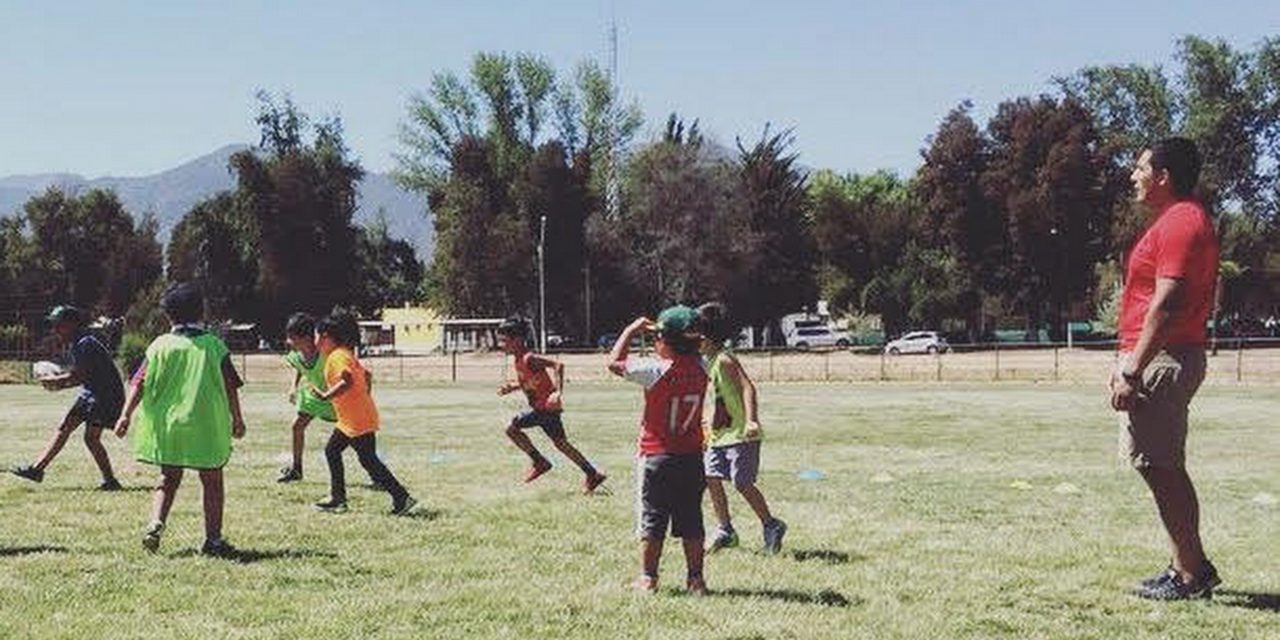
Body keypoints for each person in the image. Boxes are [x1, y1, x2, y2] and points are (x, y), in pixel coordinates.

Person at [1111, 137, 1221, 600]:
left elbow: (1169, 301)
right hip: (1161, 354)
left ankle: (1191, 574)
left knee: (1162, 466)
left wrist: (1133, 368)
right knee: (1159, 466)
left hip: (1164, 357)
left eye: (1140, 168)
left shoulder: (1181, 222)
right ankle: (1186, 565)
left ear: (1163, 177)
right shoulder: (1180, 220)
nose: (1133, 176)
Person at [114, 283, 247, 556]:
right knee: (212, 481)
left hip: (169, 425)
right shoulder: (214, 346)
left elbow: (139, 382)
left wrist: (125, 414)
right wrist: (237, 418)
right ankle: (213, 540)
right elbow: (230, 385)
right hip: (206, 424)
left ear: (167, 315)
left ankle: (155, 523)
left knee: (168, 478)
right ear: (202, 311)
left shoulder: (159, 346)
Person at [607, 306, 709, 595]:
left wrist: (631, 330)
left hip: (657, 455)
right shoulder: (702, 367)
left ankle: (648, 578)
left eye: (657, 338)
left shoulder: (656, 370)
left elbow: (614, 363)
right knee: (692, 519)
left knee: (652, 518)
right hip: (691, 456)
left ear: (666, 341)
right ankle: (696, 580)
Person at [696, 303, 786, 555]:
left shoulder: (725, 359)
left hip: (740, 436)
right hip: (718, 436)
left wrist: (751, 420)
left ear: (707, 337)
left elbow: (748, 388)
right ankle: (725, 529)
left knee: (742, 482)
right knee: (710, 477)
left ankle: (771, 525)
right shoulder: (708, 362)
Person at [310, 310, 417, 516]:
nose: (314, 340)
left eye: (316, 335)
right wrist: (363, 397)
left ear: (325, 336)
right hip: (355, 417)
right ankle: (340, 498)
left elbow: (347, 380)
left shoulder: (337, 356)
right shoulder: (344, 353)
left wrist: (325, 396)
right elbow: (366, 375)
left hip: (355, 420)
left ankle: (399, 497)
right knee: (344, 454)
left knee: (361, 458)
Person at [10, 305, 123, 490]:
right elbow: (83, 377)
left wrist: (55, 381)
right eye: (54, 325)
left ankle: (110, 481)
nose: (55, 329)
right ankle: (37, 470)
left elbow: (79, 376)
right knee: (65, 428)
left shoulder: (85, 343)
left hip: (105, 396)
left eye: (59, 325)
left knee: (91, 438)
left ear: (72, 324)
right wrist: (59, 384)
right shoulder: (78, 343)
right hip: (91, 393)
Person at [496, 316, 607, 493]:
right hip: (544, 410)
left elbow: (558, 365)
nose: (501, 345)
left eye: (504, 341)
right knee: (562, 444)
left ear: (517, 340)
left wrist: (558, 393)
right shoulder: (518, 359)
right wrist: (513, 387)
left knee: (511, 428)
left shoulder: (529, 358)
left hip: (545, 410)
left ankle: (540, 461)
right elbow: (532, 382)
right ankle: (592, 474)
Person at [276, 313, 337, 483]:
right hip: (314, 396)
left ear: (307, 338)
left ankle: (375, 469)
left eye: (292, 337)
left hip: (335, 398)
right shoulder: (295, 356)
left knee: (352, 436)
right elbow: (299, 367)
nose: (289, 341)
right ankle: (296, 469)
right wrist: (293, 387)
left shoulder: (326, 353)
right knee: (297, 426)